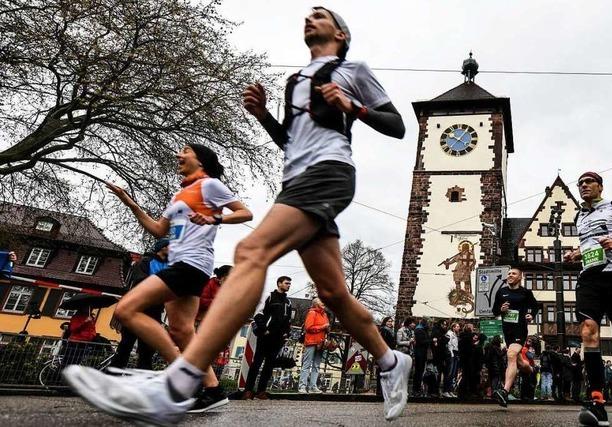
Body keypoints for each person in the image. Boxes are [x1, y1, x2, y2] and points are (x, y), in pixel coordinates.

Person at [62, 7, 409, 424]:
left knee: (251, 251)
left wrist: (355, 107)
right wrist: (264, 116)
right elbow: (290, 141)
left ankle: (180, 383)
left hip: (329, 173)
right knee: (333, 293)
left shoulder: (354, 69)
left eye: (321, 15)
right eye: (307, 14)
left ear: (340, 32)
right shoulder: (295, 81)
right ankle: (391, 361)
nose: (309, 18)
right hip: (296, 181)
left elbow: (398, 126)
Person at [64, 143, 252, 414]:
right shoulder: (179, 195)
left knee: (127, 309)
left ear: (200, 161)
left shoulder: (209, 185)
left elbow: (245, 213)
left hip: (191, 263)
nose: (179, 155)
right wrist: (130, 203)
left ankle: (179, 380)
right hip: (181, 264)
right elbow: (158, 228)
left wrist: (214, 219)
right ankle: (213, 391)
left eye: (185, 151)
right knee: (181, 331)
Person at [562, 172, 612, 426]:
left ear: (600, 186)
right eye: (580, 183)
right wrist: (576, 253)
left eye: (588, 182)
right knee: (588, 330)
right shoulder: (579, 216)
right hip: (589, 279)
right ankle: (597, 401)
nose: (583, 186)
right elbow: (589, 244)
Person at [110, 239, 169, 371]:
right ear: (162, 248)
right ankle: (113, 374)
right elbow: (140, 280)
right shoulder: (145, 262)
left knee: (148, 348)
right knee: (126, 344)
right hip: (137, 308)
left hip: (155, 310)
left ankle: (143, 377)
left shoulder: (169, 266)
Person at [491, 268, 538, 407]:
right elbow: (494, 311)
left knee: (511, 354)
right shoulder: (501, 292)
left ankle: (504, 392)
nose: (510, 275)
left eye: (513, 274)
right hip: (507, 330)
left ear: (520, 277)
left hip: (520, 329)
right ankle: (531, 370)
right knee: (519, 362)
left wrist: (531, 315)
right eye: (509, 273)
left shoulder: (525, 293)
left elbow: (535, 306)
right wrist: (501, 310)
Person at [242, 276, 292, 399]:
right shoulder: (269, 296)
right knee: (257, 363)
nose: (289, 285)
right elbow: (259, 313)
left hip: (278, 338)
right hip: (266, 336)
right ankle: (248, 390)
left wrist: (286, 333)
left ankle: (261, 391)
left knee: (269, 365)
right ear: (279, 283)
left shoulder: (288, 302)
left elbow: (288, 320)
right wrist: (264, 330)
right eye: (286, 283)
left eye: (290, 284)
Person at [298, 297, 330, 393]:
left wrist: (327, 329)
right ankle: (302, 386)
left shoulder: (324, 314)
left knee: (316, 365)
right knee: (307, 364)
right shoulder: (312, 313)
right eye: (321, 301)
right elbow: (308, 327)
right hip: (311, 341)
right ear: (315, 303)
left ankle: (313, 386)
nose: (323, 302)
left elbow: (327, 326)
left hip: (320, 342)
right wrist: (323, 327)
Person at [376, 317, 396, 396]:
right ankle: (380, 390)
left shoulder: (391, 331)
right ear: (385, 322)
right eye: (388, 321)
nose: (390, 323)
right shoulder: (383, 330)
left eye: (391, 321)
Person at [412, 317, 430, 396]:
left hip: (422, 352)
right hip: (419, 353)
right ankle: (416, 389)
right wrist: (430, 341)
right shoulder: (419, 330)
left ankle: (418, 388)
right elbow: (420, 341)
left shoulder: (422, 330)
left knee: (420, 371)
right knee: (418, 371)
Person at [443, 322, 460, 398]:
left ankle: (450, 390)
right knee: (449, 373)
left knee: (453, 374)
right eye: (457, 326)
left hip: (455, 353)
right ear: (453, 327)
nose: (459, 328)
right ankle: (445, 390)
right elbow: (449, 344)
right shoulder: (449, 334)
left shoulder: (455, 334)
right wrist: (451, 354)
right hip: (451, 353)